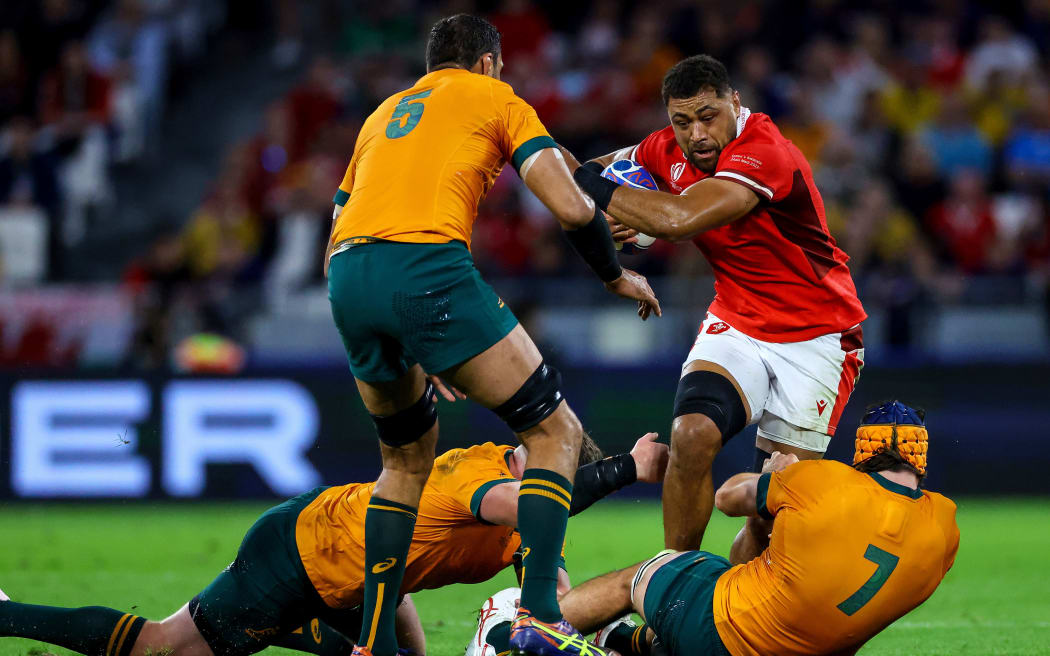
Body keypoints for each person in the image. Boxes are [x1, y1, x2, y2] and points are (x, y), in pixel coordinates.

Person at [325, 13, 659, 656]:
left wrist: (421, 341)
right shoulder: (496, 97)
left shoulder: (383, 113)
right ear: (486, 64)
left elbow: (339, 226)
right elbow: (569, 205)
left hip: (347, 277)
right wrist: (615, 276)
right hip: (425, 266)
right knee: (554, 431)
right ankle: (538, 619)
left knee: (402, 461)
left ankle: (373, 646)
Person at [565, 54, 867, 558]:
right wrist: (605, 230)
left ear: (736, 104)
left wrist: (598, 192)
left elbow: (679, 217)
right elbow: (592, 176)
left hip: (818, 336)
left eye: (708, 116)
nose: (697, 134)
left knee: (773, 514)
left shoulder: (767, 151)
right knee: (690, 433)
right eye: (682, 121)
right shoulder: (663, 149)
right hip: (737, 321)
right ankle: (673, 585)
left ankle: (734, 605)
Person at [0, 433, 669, 656]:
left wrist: (615, 634)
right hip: (298, 554)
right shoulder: (481, 473)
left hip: (358, 577)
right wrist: (626, 471)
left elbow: (552, 599)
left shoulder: (529, 528)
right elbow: (519, 503)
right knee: (162, 649)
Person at [548, 400, 959, 656]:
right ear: (919, 459)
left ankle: (532, 630)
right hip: (809, 645)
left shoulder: (825, 480)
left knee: (645, 574)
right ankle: (626, 642)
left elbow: (727, 497)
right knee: (754, 569)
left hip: (727, 633)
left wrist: (779, 478)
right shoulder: (944, 526)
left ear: (863, 449)